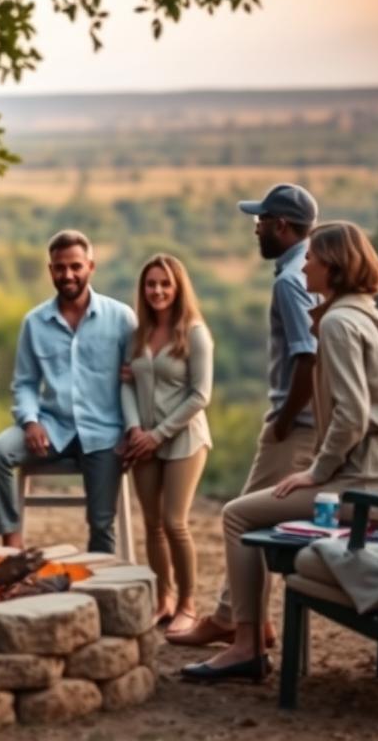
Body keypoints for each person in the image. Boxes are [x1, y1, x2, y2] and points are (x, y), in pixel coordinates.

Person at [181, 221, 378, 681]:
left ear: (331, 266)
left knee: (237, 514)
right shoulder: (375, 317)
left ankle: (246, 645)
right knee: (263, 510)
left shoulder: (337, 323)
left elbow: (351, 415)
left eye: (312, 257)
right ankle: (251, 633)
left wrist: (318, 471)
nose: (305, 264)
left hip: (367, 483)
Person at [168, 183, 321, 647]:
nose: (254, 228)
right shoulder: (315, 270)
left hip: (296, 426)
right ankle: (253, 620)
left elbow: (307, 359)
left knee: (243, 517)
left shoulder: (292, 281)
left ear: (281, 225)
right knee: (256, 518)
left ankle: (234, 622)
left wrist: (283, 420)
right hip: (314, 423)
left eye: (260, 221)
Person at [0, 229, 136, 553]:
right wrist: (30, 421)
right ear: (50, 269)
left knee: (101, 523)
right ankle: (12, 546)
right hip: (52, 427)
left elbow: (136, 382)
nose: (67, 274)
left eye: (75, 266)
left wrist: (130, 430)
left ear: (90, 267)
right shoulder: (35, 322)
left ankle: (103, 583)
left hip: (104, 432)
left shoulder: (121, 318)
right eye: (59, 267)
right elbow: (24, 383)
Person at [120, 254, 213, 636]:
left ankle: (188, 604)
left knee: (175, 522)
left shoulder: (194, 333)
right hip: (142, 441)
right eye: (151, 284)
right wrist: (133, 430)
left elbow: (200, 395)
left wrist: (158, 434)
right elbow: (124, 382)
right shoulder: (137, 334)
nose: (157, 290)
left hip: (184, 440)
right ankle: (164, 600)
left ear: (178, 288)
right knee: (152, 525)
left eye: (165, 284)